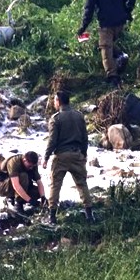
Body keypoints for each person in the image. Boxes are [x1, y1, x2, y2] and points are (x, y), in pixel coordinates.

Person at [76, 0, 137, 87]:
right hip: (121, 21)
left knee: (105, 47)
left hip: (107, 23)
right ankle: (121, 56)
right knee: (108, 43)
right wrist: (127, 9)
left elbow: (89, 8)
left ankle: (112, 77)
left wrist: (82, 27)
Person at [42, 90, 95, 224]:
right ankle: (89, 215)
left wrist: (46, 157)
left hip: (61, 156)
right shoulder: (79, 116)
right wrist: (83, 154)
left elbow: (52, 141)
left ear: (58, 101)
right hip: (77, 154)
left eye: (54, 100)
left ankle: (52, 217)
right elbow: (84, 137)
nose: (54, 102)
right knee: (82, 184)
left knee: (55, 185)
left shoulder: (56, 118)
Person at [0, 151, 45, 218]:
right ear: (24, 160)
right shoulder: (14, 162)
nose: (31, 168)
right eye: (29, 166)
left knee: (37, 192)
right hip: (2, 186)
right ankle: (18, 205)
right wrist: (30, 200)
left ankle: (14, 199)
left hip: (18, 185)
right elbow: (16, 185)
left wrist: (43, 197)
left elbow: (39, 182)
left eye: (33, 166)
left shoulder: (32, 165)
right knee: (23, 176)